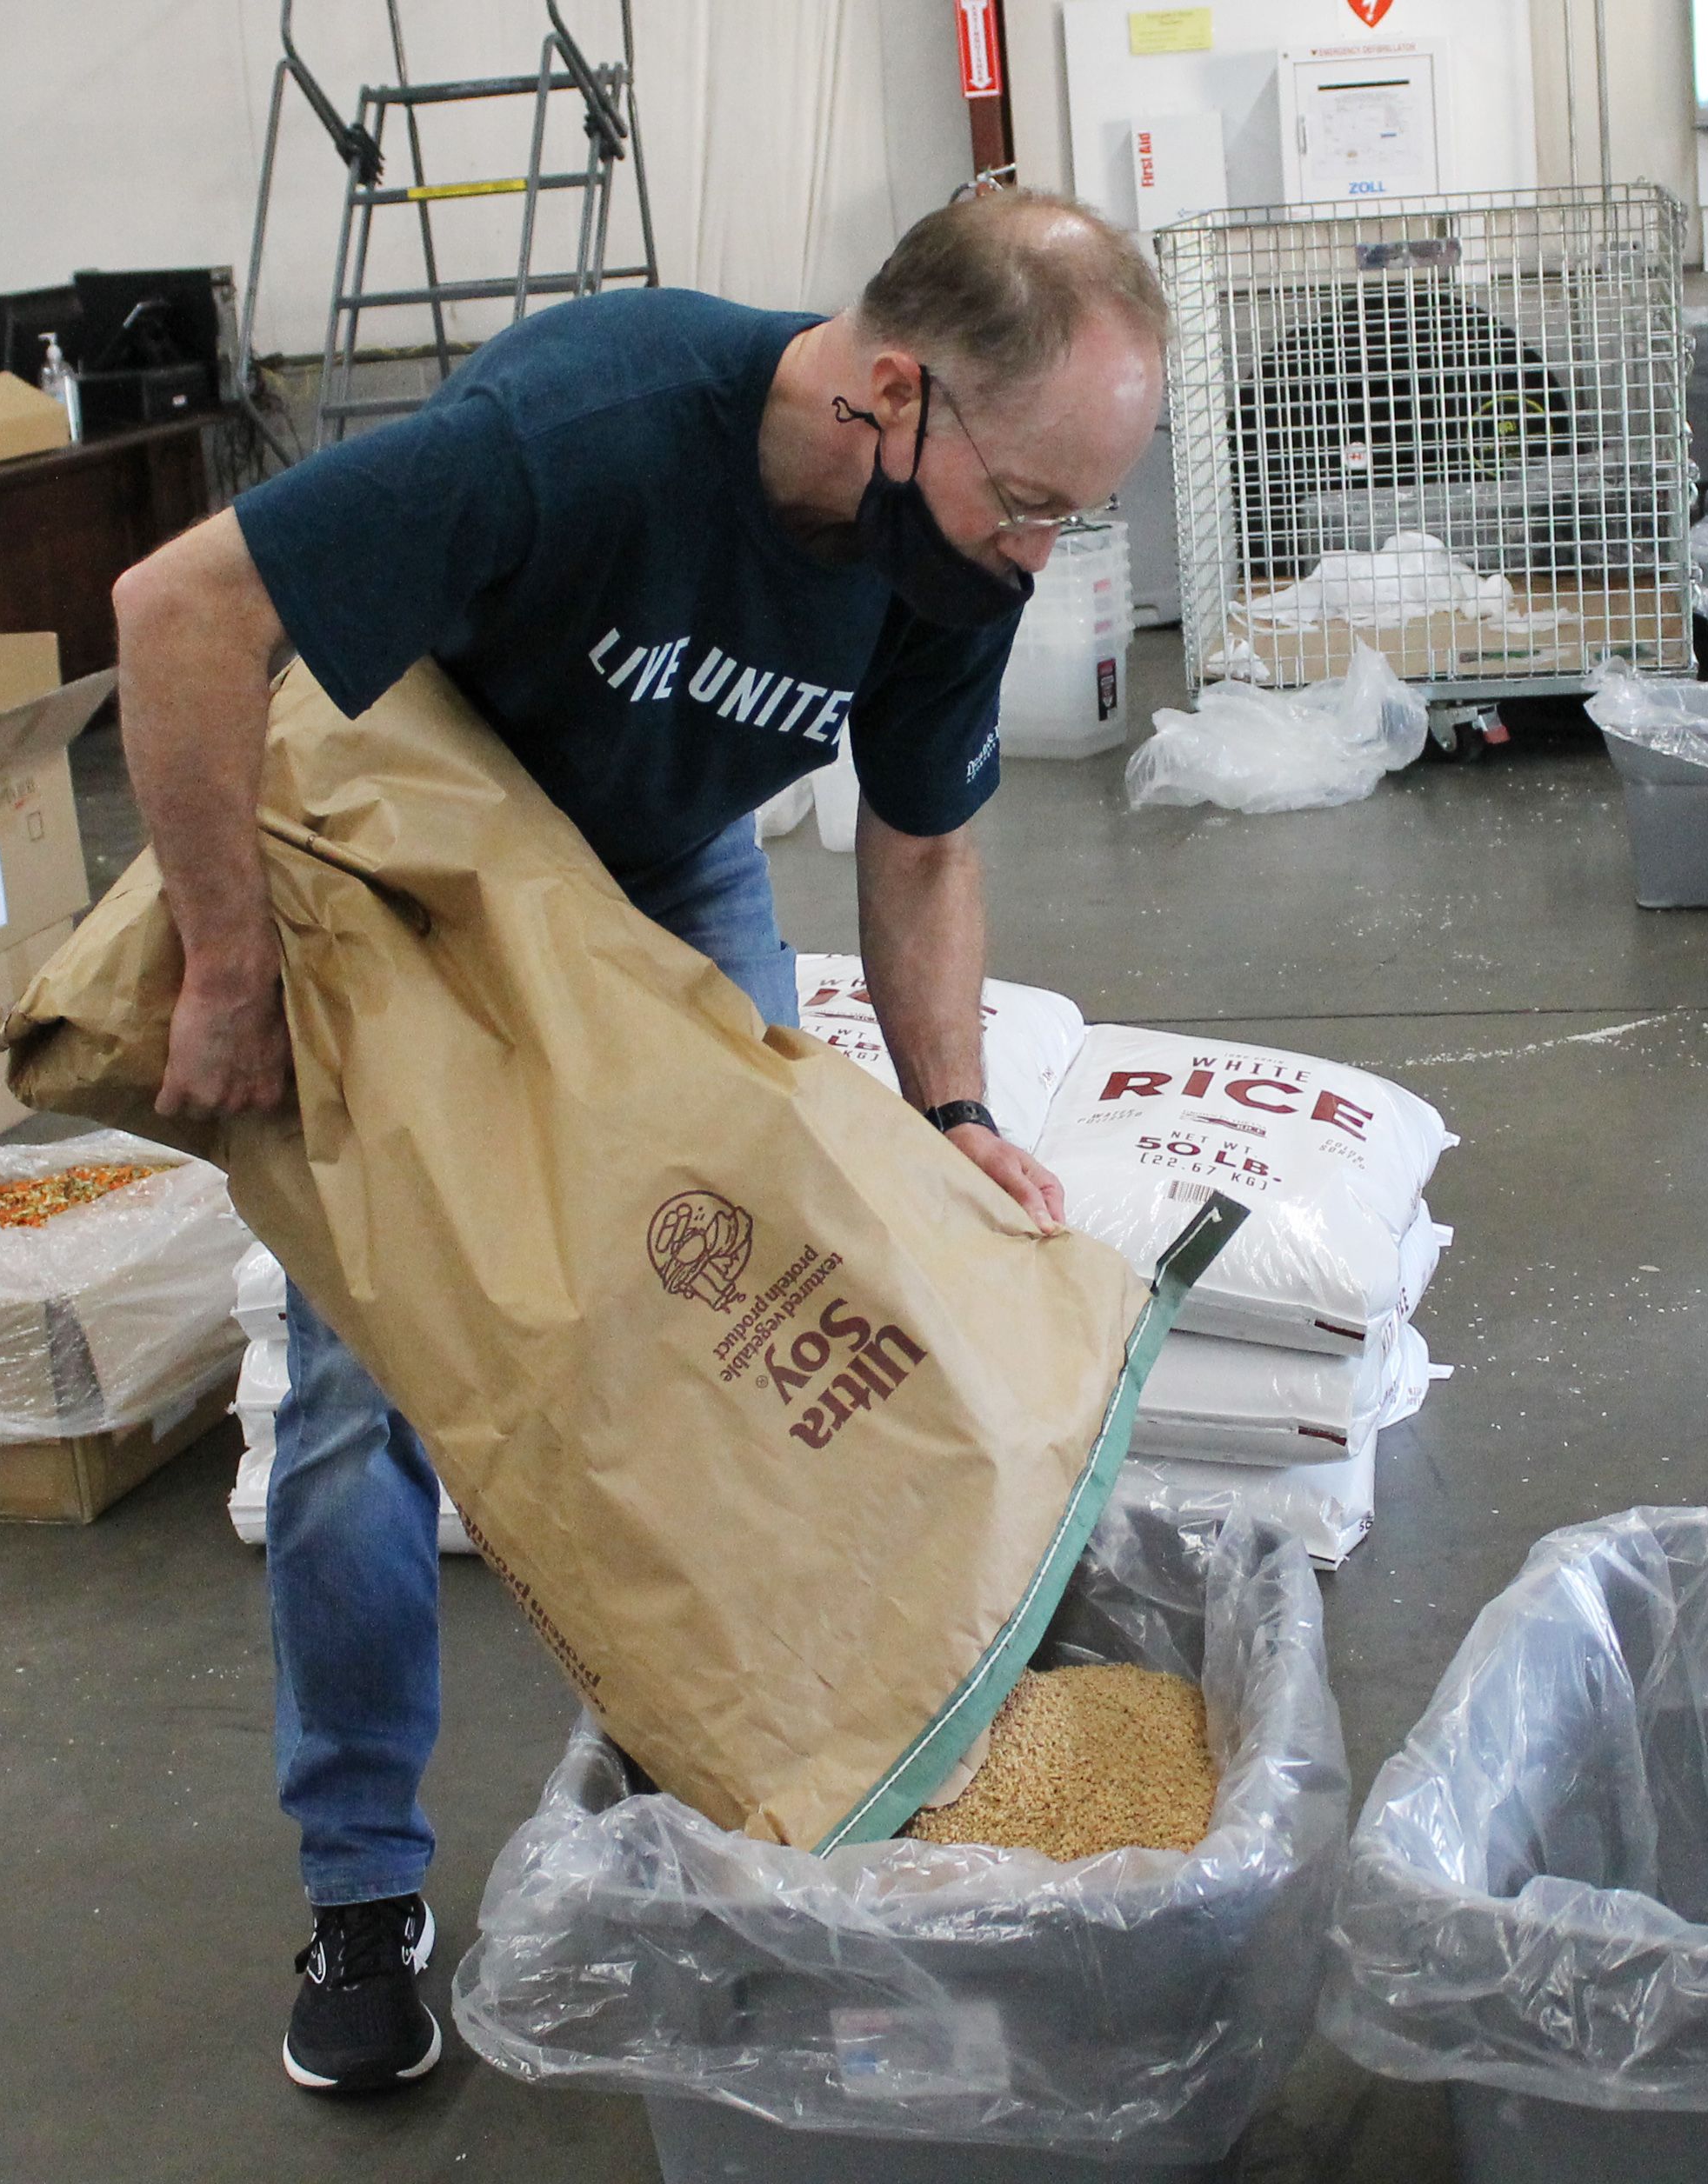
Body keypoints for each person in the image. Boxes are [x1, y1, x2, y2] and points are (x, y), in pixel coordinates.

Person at [107, 187, 1167, 2096]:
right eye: (1025, 500)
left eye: (1071, 518)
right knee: (372, 1381)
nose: (1036, 556)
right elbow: (178, 605)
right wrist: (224, 965)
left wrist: (947, 1118)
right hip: (434, 833)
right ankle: (362, 1886)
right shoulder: (579, 432)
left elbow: (920, 845)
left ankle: (779, 1798)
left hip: (668, 855)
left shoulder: (946, 562)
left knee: (758, 1300)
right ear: (891, 392)